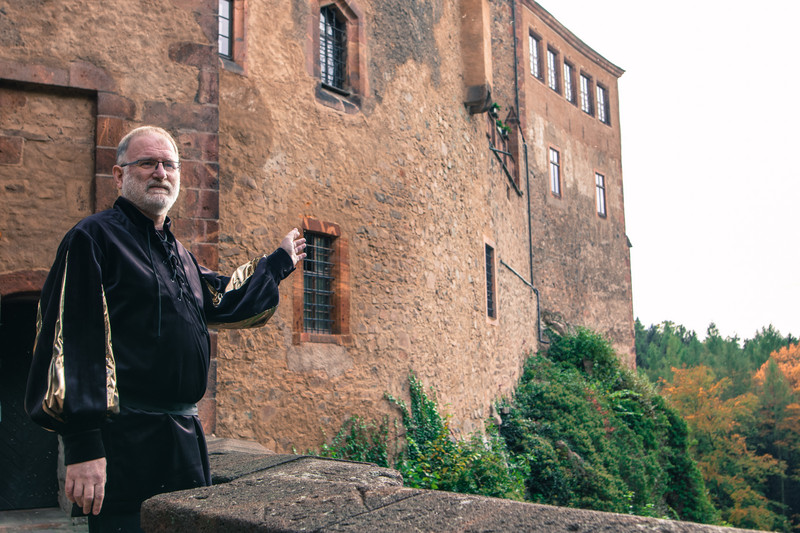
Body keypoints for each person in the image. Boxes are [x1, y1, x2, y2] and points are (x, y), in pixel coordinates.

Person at [25, 126, 306, 532]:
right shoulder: (93, 238)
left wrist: (278, 263)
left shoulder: (181, 256)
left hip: (184, 443)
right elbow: (74, 339)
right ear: (120, 176)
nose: (160, 172)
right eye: (147, 163)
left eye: (169, 164)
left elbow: (223, 299)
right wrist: (84, 446)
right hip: (124, 442)